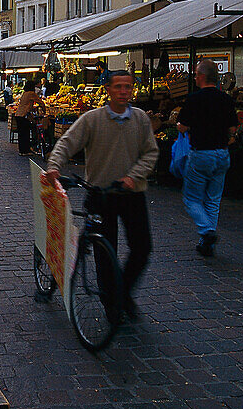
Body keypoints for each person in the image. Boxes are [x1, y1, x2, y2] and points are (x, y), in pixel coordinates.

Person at [45, 71, 159, 319]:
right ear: (108, 90)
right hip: (100, 194)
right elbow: (67, 142)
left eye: (127, 87)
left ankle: (122, 291)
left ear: (132, 90)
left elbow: (151, 153)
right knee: (104, 251)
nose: (123, 91)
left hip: (131, 193)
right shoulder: (92, 119)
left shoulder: (140, 119)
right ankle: (112, 303)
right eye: (118, 87)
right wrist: (55, 165)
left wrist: (133, 176)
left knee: (142, 247)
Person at [177, 59, 239, 257]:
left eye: (196, 74)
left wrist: (180, 125)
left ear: (202, 76)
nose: (195, 77)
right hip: (222, 154)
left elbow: (183, 126)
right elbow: (233, 128)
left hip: (201, 153)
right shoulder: (226, 99)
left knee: (192, 198)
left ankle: (206, 231)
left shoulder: (194, 99)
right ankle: (207, 244)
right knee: (213, 200)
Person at [13, 79, 46, 155]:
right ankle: (26, 150)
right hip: (24, 115)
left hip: (18, 115)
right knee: (26, 132)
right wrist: (44, 111)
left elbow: (26, 104)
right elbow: (40, 102)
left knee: (21, 133)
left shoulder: (25, 93)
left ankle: (22, 150)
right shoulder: (31, 93)